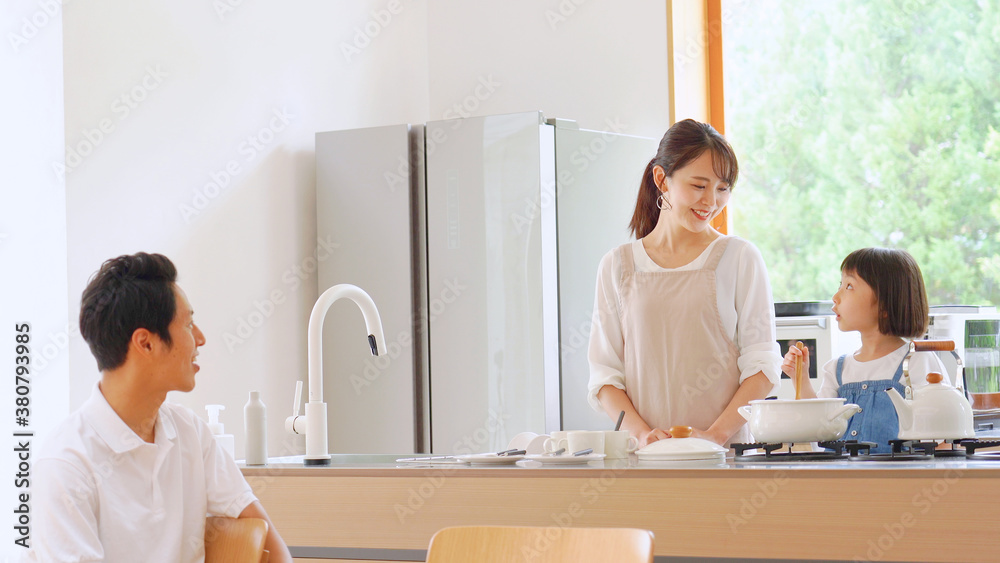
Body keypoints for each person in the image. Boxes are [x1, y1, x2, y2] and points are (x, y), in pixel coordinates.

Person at [27, 252, 292, 562]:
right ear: (146, 343)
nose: (201, 339)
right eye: (189, 324)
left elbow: (271, 546)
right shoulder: (67, 464)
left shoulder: (189, 432)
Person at [588, 119, 781, 448]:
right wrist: (643, 435)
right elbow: (605, 377)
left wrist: (714, 437)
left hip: (724, 458)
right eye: (698, 185)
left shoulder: (740, 258)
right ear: (662, 179)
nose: (711, 201)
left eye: (722, 188)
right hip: (644, 460)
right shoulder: (617, 266)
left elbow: (762, 367)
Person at [782, 248, 946, 453]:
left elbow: (939, 438)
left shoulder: (917, 361)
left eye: (849, 286)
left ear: (886, 304)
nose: (835, 297)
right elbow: (819, 432)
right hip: (840, 483)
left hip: (898, 483)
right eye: (839, 285)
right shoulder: (836, 370)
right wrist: (801, 380)